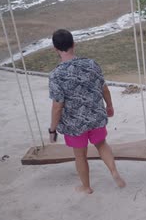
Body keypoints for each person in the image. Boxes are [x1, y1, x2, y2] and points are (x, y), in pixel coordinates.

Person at [48, 29, 126, 194]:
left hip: (74, 124)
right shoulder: (91, 64)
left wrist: (52, 129)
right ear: (73, 45)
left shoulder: (56, 75)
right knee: (102, 144)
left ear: (55, 49)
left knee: (80, 155)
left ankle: (86, 187)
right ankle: (113, 171)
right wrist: (109, 106)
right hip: (96, 116)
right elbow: (104, 88)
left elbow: (57, 106)